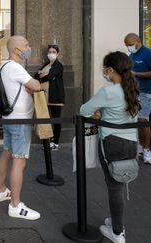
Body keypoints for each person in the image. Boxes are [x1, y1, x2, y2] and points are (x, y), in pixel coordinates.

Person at [80, 51, 139, 243]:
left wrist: (100, 114)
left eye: (106, 69)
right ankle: (116, 221)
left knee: (113, 187)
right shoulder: (132, 88)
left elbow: (84, 110)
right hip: (131, 143)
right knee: (119, 184)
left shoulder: (109, 91)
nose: (105, 72)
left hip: (112, 142)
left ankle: (117, 232)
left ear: (111, 69)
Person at [0, 36, 41, 220]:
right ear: (16, 50)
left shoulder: (4, 66)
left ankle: (0, 190)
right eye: (26, 45)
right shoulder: (15, 67)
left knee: (7, 152)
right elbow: (35, 85)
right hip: (20, 120)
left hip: (9, 117)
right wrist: (33, 86)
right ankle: (15, 205)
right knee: (19, 160)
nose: (29, 47)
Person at [124, 33, 151, 163]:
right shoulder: (132, 56)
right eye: (127, 45)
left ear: (137, 41)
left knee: (143, 120)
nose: (129, 47)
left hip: (147, 93)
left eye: (130, 44)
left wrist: (137, 74)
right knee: (138, 122)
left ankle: (147, 151)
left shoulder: (148, 53)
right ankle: (142, 147)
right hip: (135, 93)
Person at [34, 44, 65, 150]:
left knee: (55, 119)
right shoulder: (46, 65)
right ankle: (48, 140)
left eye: (53, 52)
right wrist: (42, 75)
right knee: (45, 120)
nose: (51, 54)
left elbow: (51, 76)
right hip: (44, 96)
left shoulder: (59, 65)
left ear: (57, 54)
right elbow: (36, 76)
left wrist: (43, 75)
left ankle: (55, 142)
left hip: (55, 96)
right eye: (50, 52)